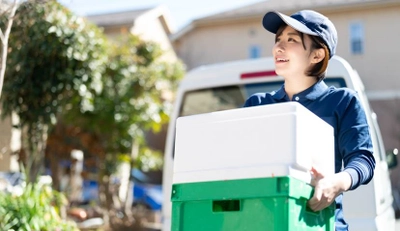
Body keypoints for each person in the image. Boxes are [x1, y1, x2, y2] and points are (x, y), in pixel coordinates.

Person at [243, 10, 376, 230]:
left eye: (291, 39)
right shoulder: (256, 105)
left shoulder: (343, 101)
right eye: (278, 40)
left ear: (317, 55)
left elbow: (363, 160)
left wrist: (336, 183)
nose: (278, 47)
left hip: (321, 223)